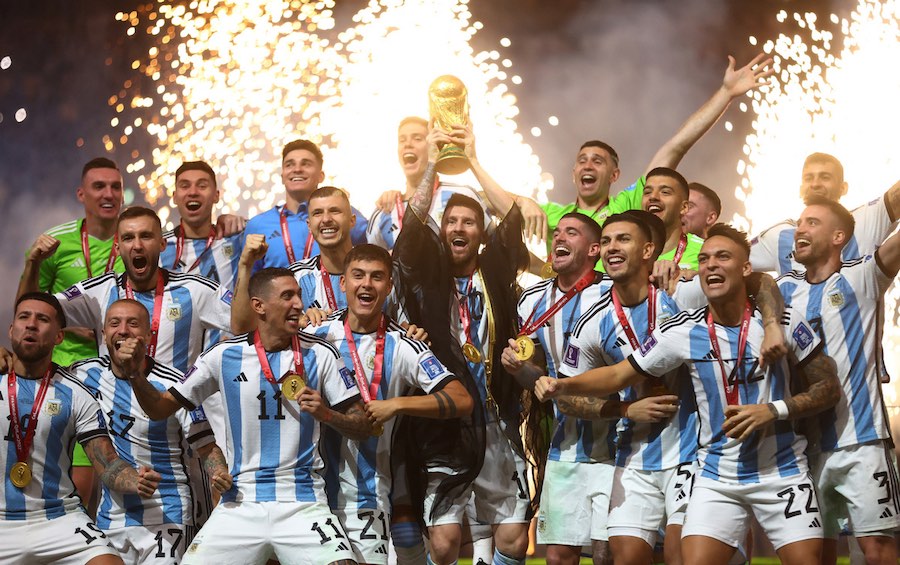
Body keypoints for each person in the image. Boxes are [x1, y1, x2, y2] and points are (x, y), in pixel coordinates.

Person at [535, 224, 841, 565]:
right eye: (706, 258)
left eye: (723, 257)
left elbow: (828, 388)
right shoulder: (682, 331)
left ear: (745, 268)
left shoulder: (782, 320)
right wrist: (564, 384)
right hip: (716, 475)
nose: (711, 264)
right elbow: (618, 374)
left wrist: (773, 409)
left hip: (781, 470)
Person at [124, 268, 370, 564]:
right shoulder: (222, 355)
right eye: (287, 296)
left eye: (298, 296)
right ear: (259, 306)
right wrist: (136, 375)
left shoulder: (322, 354)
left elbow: (363, 427)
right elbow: (160, 407)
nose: (298, 305)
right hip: (240, 500)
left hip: (302, 501)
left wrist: (327, 414)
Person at [20, 206, 235, 522]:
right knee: (115, 504)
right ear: (118, 246)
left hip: (177, 415)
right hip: (117, 418)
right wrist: (33, 263)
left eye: (146, 236)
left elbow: (242, 321)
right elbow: (36, 316)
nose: (137, 245)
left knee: (192, 511)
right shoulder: (100, 290)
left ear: (162, 244)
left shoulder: (195, 288)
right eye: (128, 238)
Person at [392, 122, 544, 565]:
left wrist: (472, 160)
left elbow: (513, 214)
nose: (460, 227)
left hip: (496, 419)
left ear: (480, 233)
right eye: (452, 221)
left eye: (470, 222)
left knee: (515, 540)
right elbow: (413, 225)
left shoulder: (495, 270)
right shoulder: (428, 275)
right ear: (443, 232)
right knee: (442, 545)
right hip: (445, 425)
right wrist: (435, 164)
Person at [306, 243, 475, 565]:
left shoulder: (406, 344)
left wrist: (396, 404)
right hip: (307, 489)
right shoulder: (313, 334)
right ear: (343, 283)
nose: (366, 284)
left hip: (367, 491)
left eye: (377, 277)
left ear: (389, 286)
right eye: (358, 275)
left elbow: (461, 399)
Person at [549, 211, 694, 565]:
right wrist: (623, 410)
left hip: (691, 450)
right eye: (608, 240)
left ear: (648, 250)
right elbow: (568, 399)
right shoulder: (593, 321)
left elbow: (756, 283)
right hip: (633, 456)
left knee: (681, 556)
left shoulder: (682, 294)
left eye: (623, 239)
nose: (612, 247)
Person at [776, 197, 900, 564]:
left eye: (812, 222)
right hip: (802, 448)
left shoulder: (863, 276)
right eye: (799, 222)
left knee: (877, 549)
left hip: (861, 442)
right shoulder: (782, 289)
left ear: (838, 236)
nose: (800, 229)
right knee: (815, 552)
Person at [541, 55, 774, 242]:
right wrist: (522, 202)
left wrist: (725, 94)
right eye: (582, 160)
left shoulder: (626, 204)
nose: (588, 165)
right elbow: (505, 208)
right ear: (573, 172)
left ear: (615, 175)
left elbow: (676, 147)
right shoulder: (552, 215)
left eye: (598, 161)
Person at [0, 292, 161, 565]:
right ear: (11, 329)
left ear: (59, 336)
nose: (31, 324)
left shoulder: (76, 392)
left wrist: (134, 480)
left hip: (59, 519)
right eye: (24, 317)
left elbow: (107, 462)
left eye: (42, 319)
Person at [500, 211, 622, 565]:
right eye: (556, 233)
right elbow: (536, 377)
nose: (559, 238)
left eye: (572, 232)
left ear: (594, 249)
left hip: (616, 444)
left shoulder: (612, 294)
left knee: (605, 555)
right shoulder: (533, 299)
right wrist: (519, 369)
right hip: (565, 443)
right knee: (557, 556)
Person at [71, 299, 232, 563]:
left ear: (148, 335)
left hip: (168, 516)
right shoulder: (84, 374)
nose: (123, 330)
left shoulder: (175, 383)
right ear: (104, 335)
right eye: (114, 323)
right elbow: (38, 373)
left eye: (133, 324)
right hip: (110, 518)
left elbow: (206, 445)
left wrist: (219, 472)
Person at [16, 157, 126, 512]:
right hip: (62, 372)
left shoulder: (135, 241)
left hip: (114, 376)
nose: (108, 194)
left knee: (104, 479)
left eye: (115, 187)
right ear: (82, 194)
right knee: (62, 481)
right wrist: (33, 262)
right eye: (99, 186)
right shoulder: (56, 242)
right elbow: (27, 309)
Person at [368, 116, 547, 250]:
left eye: (417, 138)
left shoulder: (462, 196)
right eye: (402, 140)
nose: (408, 144)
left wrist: (524, 201)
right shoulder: (384, 211)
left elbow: (505, 248)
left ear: (433, 145)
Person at [750, 152, 899, 275]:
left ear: (843, 188)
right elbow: (735, 263)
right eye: (809, 178)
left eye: (825, 177)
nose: (815, 184)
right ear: (801, 188)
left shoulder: (867, 219)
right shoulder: (778, 236)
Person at [244, 139, 368, 273]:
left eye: (306, 164)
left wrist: (390, 200)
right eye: (290, 165)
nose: (297, 169)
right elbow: (249, 283)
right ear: (282, 176)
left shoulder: (344, 214)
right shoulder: (257, 224)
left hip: (333, 292)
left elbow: (378, 254)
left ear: (321, 176)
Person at [159, 160, 245, 292]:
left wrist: (241, 222)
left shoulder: (236, 238)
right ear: (175, 197)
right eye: (185, 186)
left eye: (202, 186)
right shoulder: (159, 247)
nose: (193, 192)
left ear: (216, 196)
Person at [642, 167, 704, 270]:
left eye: (665, 192)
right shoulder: (628, 252)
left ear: (684, 207)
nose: (653, 196)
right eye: (647, 192)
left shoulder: (703, 251)